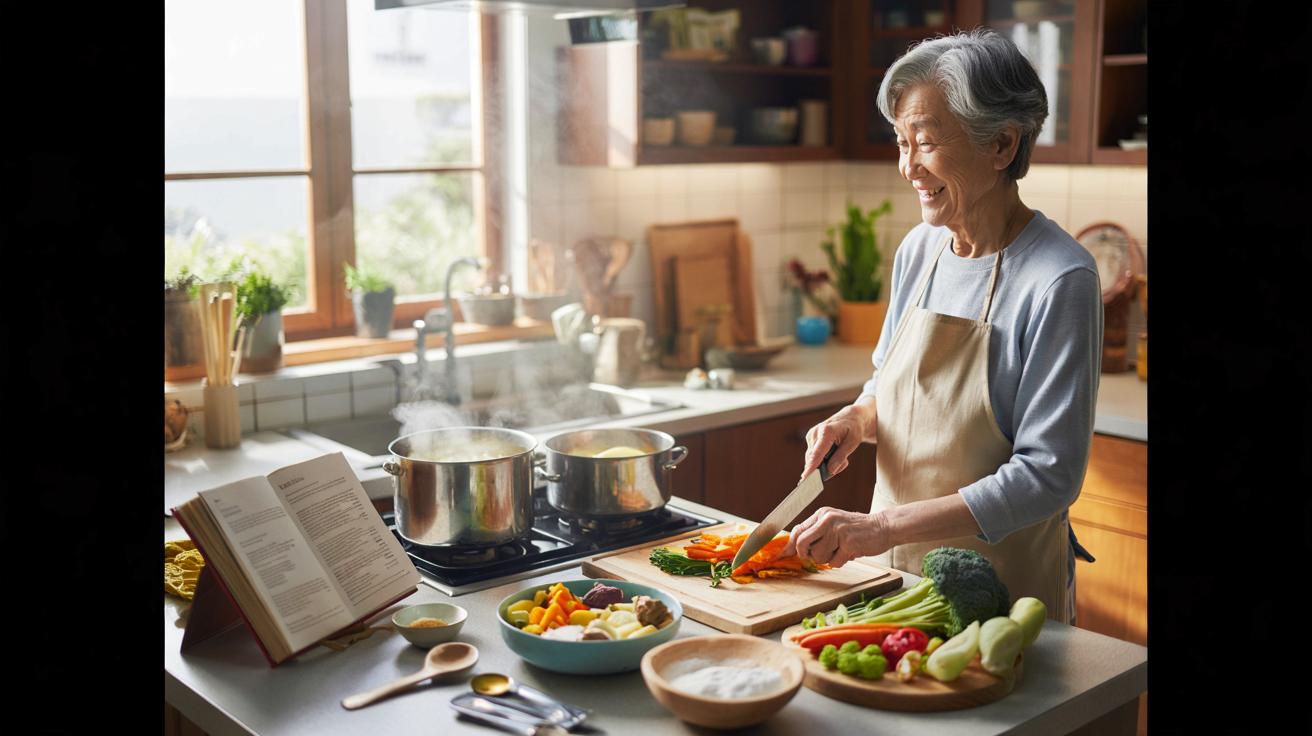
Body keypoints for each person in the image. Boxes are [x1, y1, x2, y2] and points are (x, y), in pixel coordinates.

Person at [780, 29, 1101, 624]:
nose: (908, 168)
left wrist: (877, 526)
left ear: (1002, 145)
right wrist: (856, 418)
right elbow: (891, 386)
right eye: (901, 143)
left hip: (1004, 597)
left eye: (924, 143)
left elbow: (1048, 476)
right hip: (891, 581)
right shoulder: (918, 251)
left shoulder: (1060, 278)